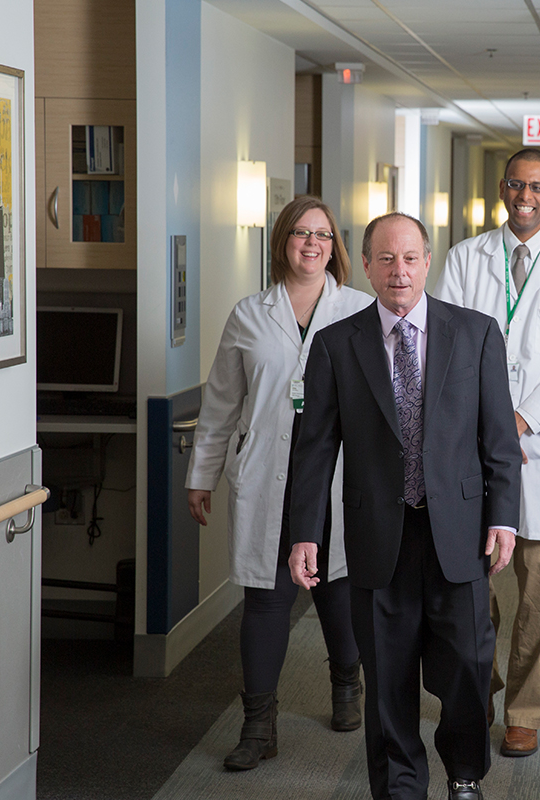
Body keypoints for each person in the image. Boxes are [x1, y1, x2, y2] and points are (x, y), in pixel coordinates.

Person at [288, 212, 523, 800]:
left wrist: (503, 516)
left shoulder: (477, 333)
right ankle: (399, 787)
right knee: (388, 678)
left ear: (428, 261)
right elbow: (314, 451)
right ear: (365, 266)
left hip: (459, 534)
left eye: (411, 258)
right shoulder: (336, 345)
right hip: (378, 537)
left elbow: (498, 438)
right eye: (386, 259)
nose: (399, 271)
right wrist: (304, 534)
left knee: (468, 669)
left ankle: (465, 774)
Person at [185, 196, 373, 771]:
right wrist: (202, 473)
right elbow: (221, 403)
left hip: (338, 478)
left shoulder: (361, 311)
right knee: (266, 601)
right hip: (267, 474)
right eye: (299, 233)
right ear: (281, 243)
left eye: (322, 235)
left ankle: (347, 682)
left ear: (335, 247)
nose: (311, 244)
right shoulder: (248, 314)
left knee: (337, 591)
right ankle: (257, 727)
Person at [435, 148, 540, 757]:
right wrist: (487, 426)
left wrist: (521, 419)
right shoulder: (463, 259)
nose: (525, 196)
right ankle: (477, 688)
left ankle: (525, 711)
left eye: (537, 187)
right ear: (502, 189)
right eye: (515, 185)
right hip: (470, 450)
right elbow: (444, 346)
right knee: (468, 587)